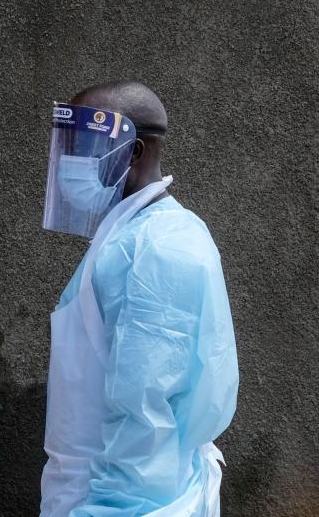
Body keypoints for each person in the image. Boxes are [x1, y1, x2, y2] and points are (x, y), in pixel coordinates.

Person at [39, 81, 239, 516]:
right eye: (69, 145)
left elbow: (144, 419)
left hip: (126, 503)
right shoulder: (133, 236)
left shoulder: (156, 250)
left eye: (88, 144)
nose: (73, 160)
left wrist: (109, 511)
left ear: (135, 152)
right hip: (92, 491)